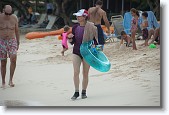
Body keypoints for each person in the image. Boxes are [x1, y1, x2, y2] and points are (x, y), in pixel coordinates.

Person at [67, 9, 98, 100]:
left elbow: (96, 41)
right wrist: (70, 39)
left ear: (85, 17)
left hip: (87, 53)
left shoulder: (92, 27)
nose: (77, 17)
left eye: (79, 16)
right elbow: (73, 42)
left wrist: (94, 47)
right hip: (76, 51)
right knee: (76, 72)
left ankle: (83, 92)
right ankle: (76, 92)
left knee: (85, 73)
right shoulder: (75, 27)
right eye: (77, 16)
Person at [0, 5, 20, 88]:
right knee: (3, 62)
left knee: (14, 59)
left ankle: (10, 80)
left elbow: (17, 30)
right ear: (3, 10)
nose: (8, 15)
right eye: (6, 14)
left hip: (12, 40)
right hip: (2, 41)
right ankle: (3, 81)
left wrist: (18, 42)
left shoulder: (14, 18)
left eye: (10, 14)